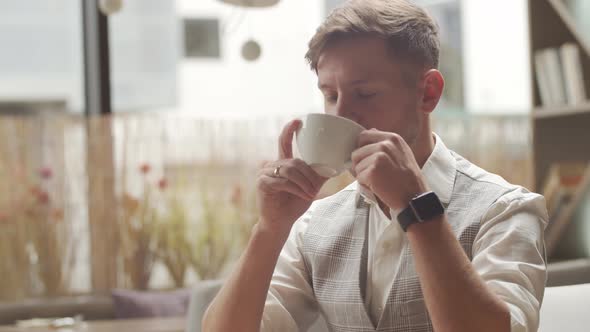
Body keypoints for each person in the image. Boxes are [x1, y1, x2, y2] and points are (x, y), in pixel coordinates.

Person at [202, 0, 547, 331]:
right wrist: (269, 229)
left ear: (428, 92)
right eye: (331, 95)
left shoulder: (505, 210)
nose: (341, 115)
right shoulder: (312, 226)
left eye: (365, 94)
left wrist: (417, 207)